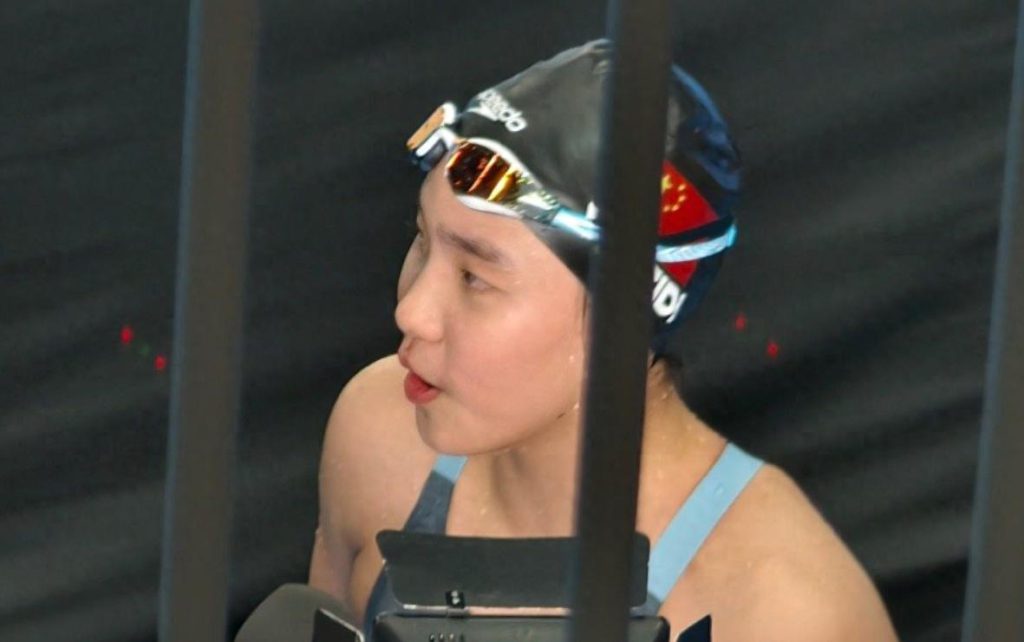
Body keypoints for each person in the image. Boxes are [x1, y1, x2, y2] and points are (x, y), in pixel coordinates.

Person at [308, 40, 898, 642]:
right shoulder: (377, 440)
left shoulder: (780, 612)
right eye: (423, 239)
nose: (411, 311)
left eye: (474, 278)